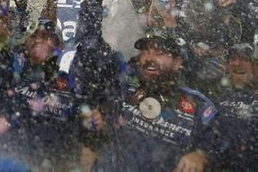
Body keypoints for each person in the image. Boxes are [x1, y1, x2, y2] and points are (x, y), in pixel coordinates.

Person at [91, 30, 220, 172]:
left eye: (159, 52)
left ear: (178, 62)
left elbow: (217, 145)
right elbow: (99, 121)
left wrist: (200, 155)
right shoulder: (123, 89)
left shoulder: (198, 105)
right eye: (146, 51)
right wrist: (97, 120)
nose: (149, 58)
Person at [0, 19, 83, 171]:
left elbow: (72, 132)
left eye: (47, 37)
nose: (38, 40)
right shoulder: (8, 66)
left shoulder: (64, 82)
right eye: (35, 35)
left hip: (41, 162)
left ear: (58, 47)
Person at [213, 42, 257, 171]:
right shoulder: (217, 93)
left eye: (244, 59)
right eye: (233, 59)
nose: (238, 63)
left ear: (255, 66)